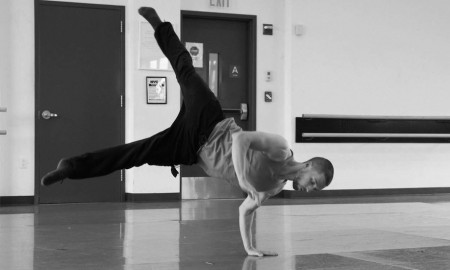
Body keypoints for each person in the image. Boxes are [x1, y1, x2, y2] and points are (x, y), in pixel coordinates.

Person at [41, 7, 334, 257]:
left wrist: (250, 247)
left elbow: (246, 210)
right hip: (209, 120)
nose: (310, 189)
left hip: (190, 148)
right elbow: (242, 139)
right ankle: (159, 25)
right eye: (314, 182)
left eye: (315, 189)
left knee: (135, 153)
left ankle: (70, 167)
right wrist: (245, 181)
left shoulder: (273, 189)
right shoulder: (281, 149)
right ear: (308, 166)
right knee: (186, 71)